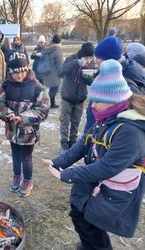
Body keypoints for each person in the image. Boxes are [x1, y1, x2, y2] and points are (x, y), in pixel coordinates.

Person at [43, 59, 145, 250]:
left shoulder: (130, 131)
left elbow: (108, 167)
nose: (93, 106)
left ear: (114, 100)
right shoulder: (107, 117)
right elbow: (84, 142)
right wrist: (58, 162)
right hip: (99, 181)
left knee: (90, 223)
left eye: (97, 101)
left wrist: (67, 175)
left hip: (116, 188)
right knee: (79, 213)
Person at [0, 51, 50, 197]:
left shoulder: (37, 87)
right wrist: (7, 113)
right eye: (15, 72)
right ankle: (16, 176)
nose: (19, 75)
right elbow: (0, 103)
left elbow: (43, 109)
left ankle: (27, 180)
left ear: (27, 69)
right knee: (15, 155)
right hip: (12, 131)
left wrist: (23, 117)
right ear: (10, 72)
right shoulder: (6, 85)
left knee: (26, 157)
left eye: (22, 71)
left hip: (28, 133)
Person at [84, 36, 145, 132]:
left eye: (99, 57)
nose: (96, 60)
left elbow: (124, 125)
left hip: (108, 139)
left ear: (110, 60)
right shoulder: (111, 74)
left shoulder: (125, 84)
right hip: (99, 135)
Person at [58, 42, 96, 153]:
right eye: (86, 57)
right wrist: (76, 63)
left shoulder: (91, 64)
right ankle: (64, 144)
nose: (88, 60)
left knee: (75, 122)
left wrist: (88, 77)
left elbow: (90, 82)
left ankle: (73, 143)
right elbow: (60, 72)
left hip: (80, 99)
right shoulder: (71, 59)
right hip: (67, 97)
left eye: (90, 57)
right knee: (65, 121)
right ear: (81, 55)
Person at [42, 34, 63, 108]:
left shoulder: (47, 48)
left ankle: (50, 102)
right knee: (54, 87)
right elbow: (60, 63)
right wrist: (62, 72)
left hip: (47, 70)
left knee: (50, 88)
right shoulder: (58, 49)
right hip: (54, 72)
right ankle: (51, 103)